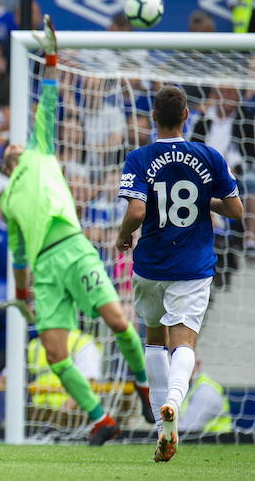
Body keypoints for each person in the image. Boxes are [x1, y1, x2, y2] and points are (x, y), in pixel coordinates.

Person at [0, 17, 150, 446]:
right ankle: (101, 419)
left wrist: (51, 58)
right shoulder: (6, 200)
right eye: (8, 147)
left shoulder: (40, 149)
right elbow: (17, 254)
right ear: (5, 161)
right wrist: (23, 293)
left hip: (73, 247)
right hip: (44, 269)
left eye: (15, 142)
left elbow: (48, 102)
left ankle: (141, 387)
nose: (14, 144)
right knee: (53, 353)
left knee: (117, 320)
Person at [115, 85, 243, 460]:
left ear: (154, 117)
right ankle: (174, 400)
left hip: (152, 263)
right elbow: (236, 211)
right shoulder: (209, 155)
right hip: (193, 264)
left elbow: (136, 213)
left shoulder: (139, 157)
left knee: (154, 339)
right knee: (183, 342)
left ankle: (160, 423)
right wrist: (207, 200)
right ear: (187, 115)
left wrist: (124, 236)